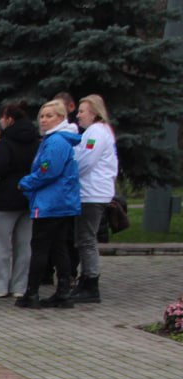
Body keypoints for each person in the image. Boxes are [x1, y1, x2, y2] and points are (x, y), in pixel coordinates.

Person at [17, 100, 82, 309]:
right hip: (60, 202)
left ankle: (32, 293)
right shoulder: (57, 140)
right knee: (58, 247)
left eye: (49, 116)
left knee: (40, 247)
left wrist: (25, 183)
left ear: (61, 118)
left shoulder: (56, 142)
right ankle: (63, 292)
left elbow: (48, 171)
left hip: (51, 203)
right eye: (42, 116)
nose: (44, 120)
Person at [0, 102, 39, 298]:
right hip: (29, 195)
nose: (0, 120)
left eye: (3, 117)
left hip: (6, 196)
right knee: (24, 244)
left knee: (1, 242)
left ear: (10, 119)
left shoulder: (6, 141)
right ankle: (20, 286)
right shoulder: (36, 140)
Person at [71, 94, 119, 304]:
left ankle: (90, 282)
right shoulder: (98, 131)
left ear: (94, 113)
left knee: (86, 239)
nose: (78, 115)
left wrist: (70, 172)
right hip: (92, 191)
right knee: (84, 238)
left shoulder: (96, 132)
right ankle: (86, 279)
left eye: (82, 111)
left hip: (92, 193)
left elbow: (86, 161)